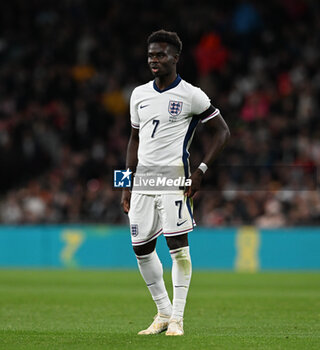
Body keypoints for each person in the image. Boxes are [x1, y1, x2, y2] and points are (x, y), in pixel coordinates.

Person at [121, 30, 230, 336]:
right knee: (141, 248)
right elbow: (134, 139)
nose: (154, 60)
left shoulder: (192, 95)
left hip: (174, 180)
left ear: (175, 58)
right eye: (151, 55)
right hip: (142, 180)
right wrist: (127, 183)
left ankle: (178, 319)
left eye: (161, 55)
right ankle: (163, 313)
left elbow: (223, 132)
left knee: (177, 247)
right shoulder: (138, 94)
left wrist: (201, 170)